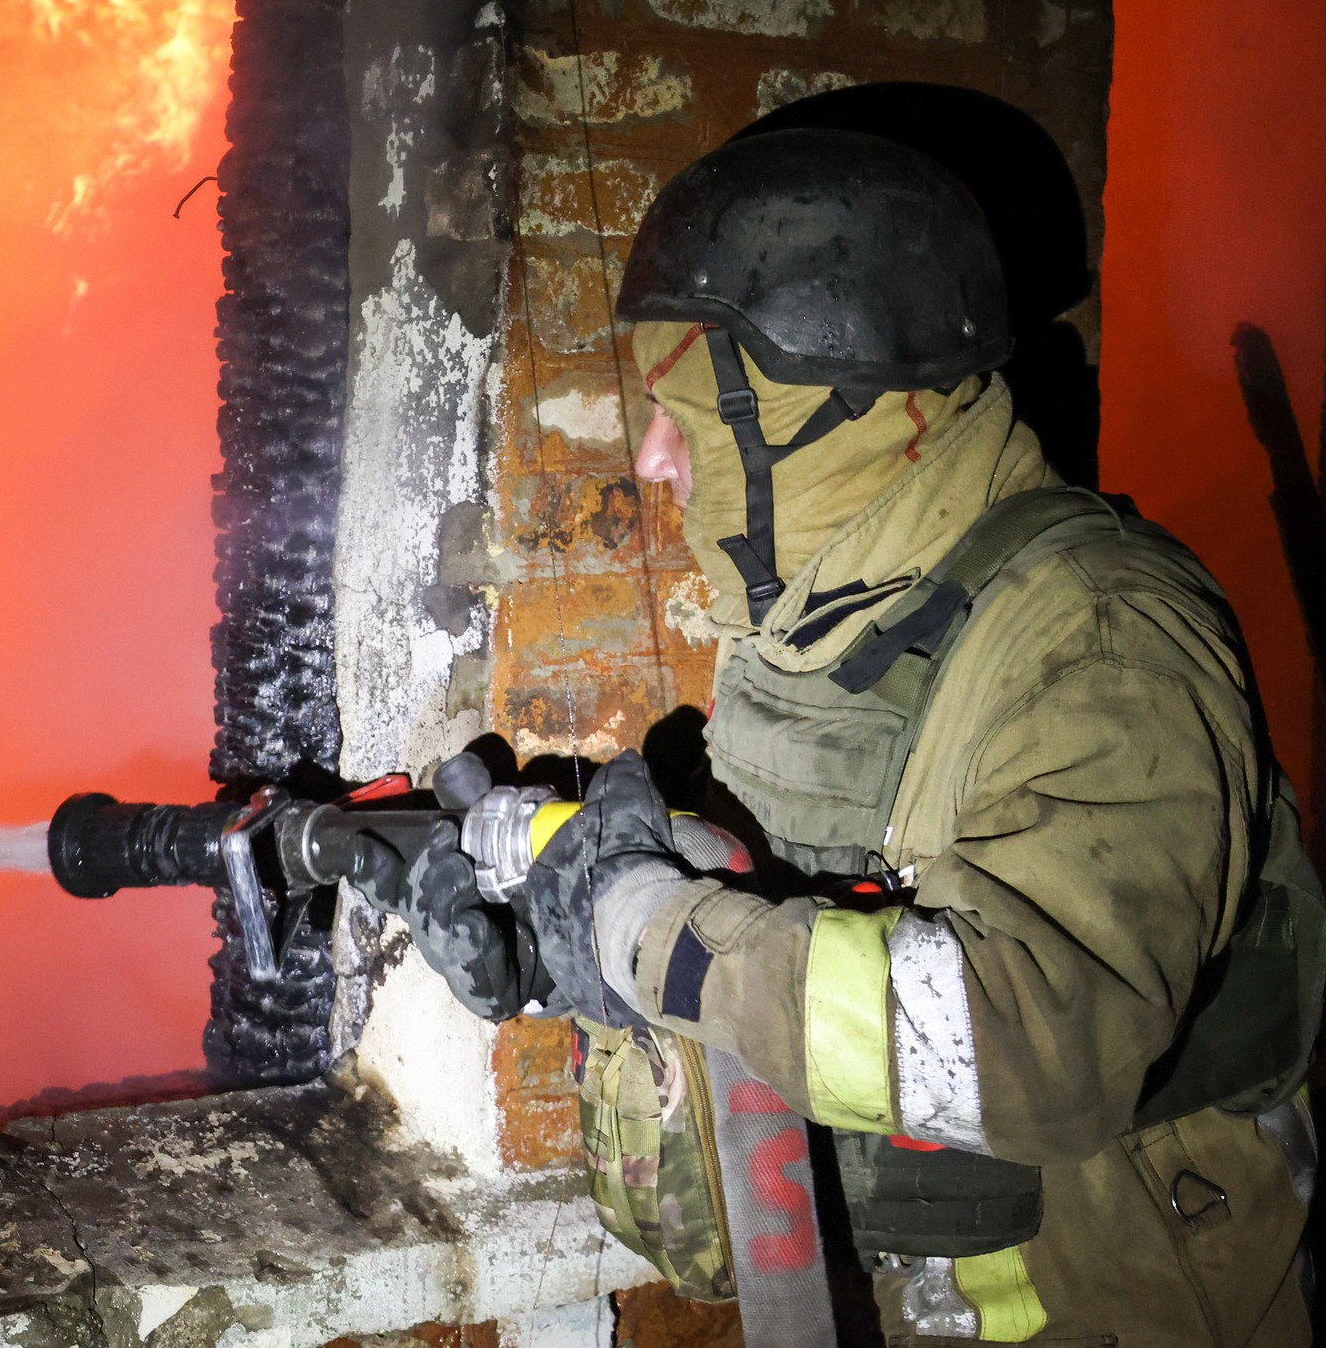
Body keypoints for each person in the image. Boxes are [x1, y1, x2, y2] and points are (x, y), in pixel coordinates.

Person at [354, 127, 1323, 1345]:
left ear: (826, 410)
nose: (651, 459)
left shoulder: (1100, 636)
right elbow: (787, 941)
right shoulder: (821, 632)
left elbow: (1033, 1044)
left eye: (683, 412)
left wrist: (640, 929)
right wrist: (560, 948)